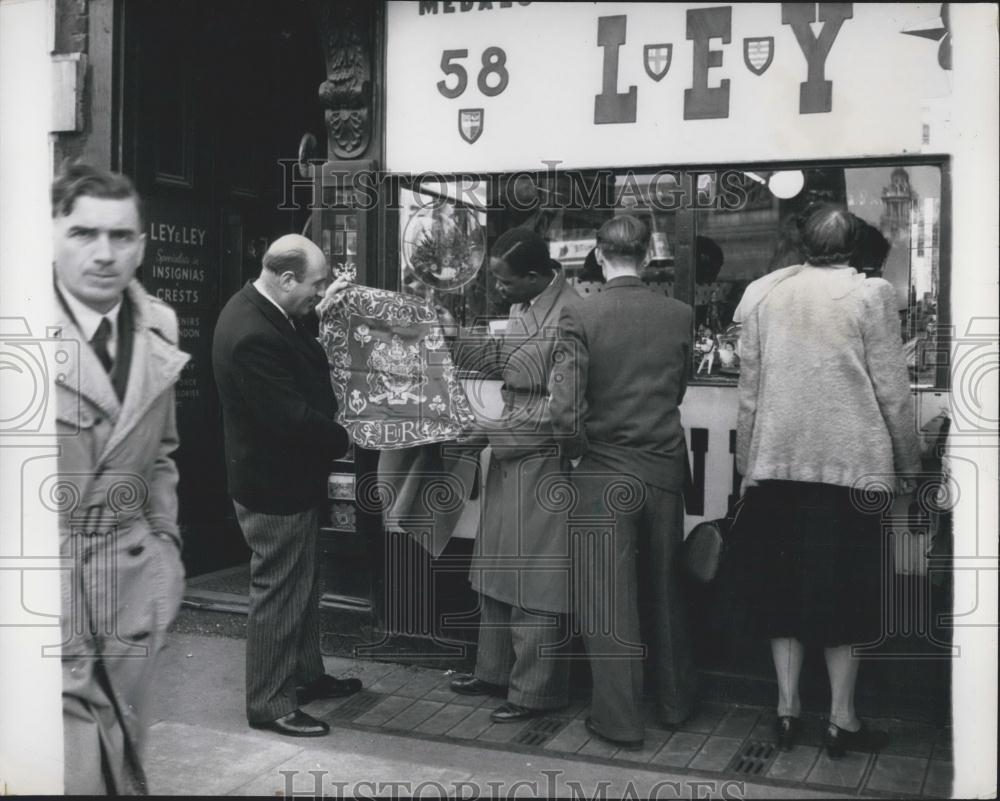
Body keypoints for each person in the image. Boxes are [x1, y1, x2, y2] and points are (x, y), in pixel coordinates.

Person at [734, 203, 922, 757]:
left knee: (782, 592)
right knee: (849, 594)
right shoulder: (870, 295)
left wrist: (750, 464)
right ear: (854, 246)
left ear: (804, 243)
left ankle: (787, 710)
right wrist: (909, 465)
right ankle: (842, 719)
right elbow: (892, 390)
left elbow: (750, 392)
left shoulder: (768, 295)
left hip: (778, 466)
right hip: (851, 470)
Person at [53, 163, 189, 794]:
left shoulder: (159, 326)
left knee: (124, 755)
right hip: (40, 593)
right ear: (52, 233)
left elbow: (162, 451)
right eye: (84, 234)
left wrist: (166, 547)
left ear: (141, 245)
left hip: (130, 583)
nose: (104, 254)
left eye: (121, 236)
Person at [548, 215, 697, 750]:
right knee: (665, 588)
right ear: (651, 253)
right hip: (662, 467)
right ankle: (677, 704)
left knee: (607, 600)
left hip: (605, 471)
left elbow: (566, 409)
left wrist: (572, 455)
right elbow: (677, 389)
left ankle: (619, 720)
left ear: (598, 254)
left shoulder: (580, 314)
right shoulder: (679, 314)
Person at [212, 234, 361, 738]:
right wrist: (349, 435)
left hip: (287, 478)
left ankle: (305, 676)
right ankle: (270, 703)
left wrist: (322, 312)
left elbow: (300, 357)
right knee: (279, 592)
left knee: (303, 585)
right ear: (287, 278)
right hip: (273, 486)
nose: (320, 295)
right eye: (316, 287)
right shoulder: (253, 332)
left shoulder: (266, 309)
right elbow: (290, 417)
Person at [448, 227, 580, 722]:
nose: (498, 289)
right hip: (512, 449)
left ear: (533, 275)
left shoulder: (567, 314)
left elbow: (565, 410)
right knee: (496, 570)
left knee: (536, 580)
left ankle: (534, 692)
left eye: (504, 281)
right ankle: (494, 671)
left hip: (542, 462)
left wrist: (487, 430)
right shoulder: (528, 308)